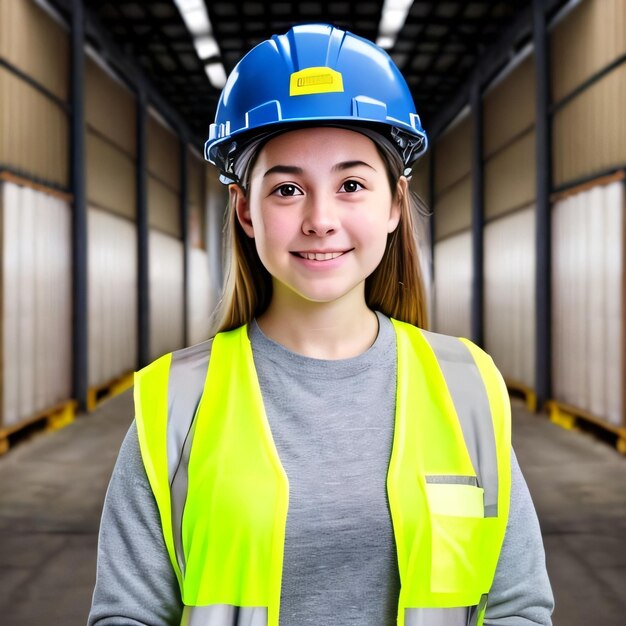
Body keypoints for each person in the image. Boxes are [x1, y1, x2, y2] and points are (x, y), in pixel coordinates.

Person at [88, 23, 554, 626]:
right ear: (244, 210)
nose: (320, 219)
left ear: (392, 205)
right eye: (286, 189)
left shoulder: (466, 386)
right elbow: (127, 614)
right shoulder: (177, 402)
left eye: (352, 184)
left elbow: (519, 603)